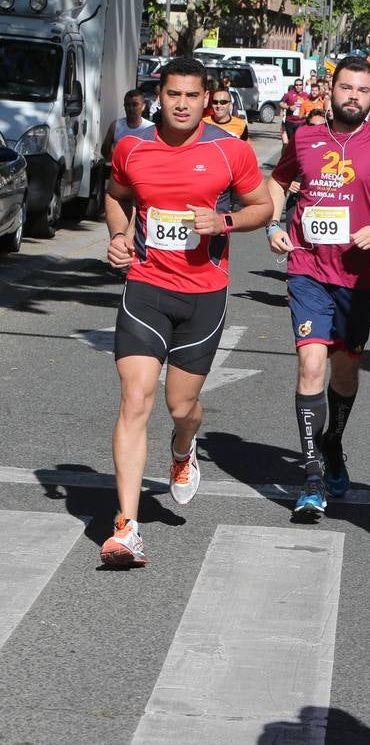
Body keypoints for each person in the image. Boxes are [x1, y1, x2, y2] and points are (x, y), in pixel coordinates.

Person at [99, 57, 272, 566]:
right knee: (135, 398)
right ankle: (127, 526)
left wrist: (223, 221)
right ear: (160, 96)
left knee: (180, 406)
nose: (180, 104)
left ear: (205, 99)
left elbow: (263, 206)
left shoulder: (229, 150)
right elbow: (115, 197)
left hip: (203, 293)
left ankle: (183, 446)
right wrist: (118, 234)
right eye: (172, 94)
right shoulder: (132, 146)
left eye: (191, 96)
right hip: (146, 287)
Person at [266, 54, 370, 519]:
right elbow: (279, 178)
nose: (353, 96)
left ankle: (333, 443)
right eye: (346, 87)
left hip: (358, 276)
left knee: (345, 369)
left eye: (362, 90)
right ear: (331, 91)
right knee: (311, 364)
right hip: (307, 268)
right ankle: (311, 477)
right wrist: (274, 222)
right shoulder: (306, 137)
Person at [100, 89, 154, 163]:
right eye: (128, 105)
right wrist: (116, 162)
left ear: (143, 106)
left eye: (135, 104)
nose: (131, 108)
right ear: (124, 106)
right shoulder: (116, 125)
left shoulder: (151, 128)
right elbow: (105, 150)